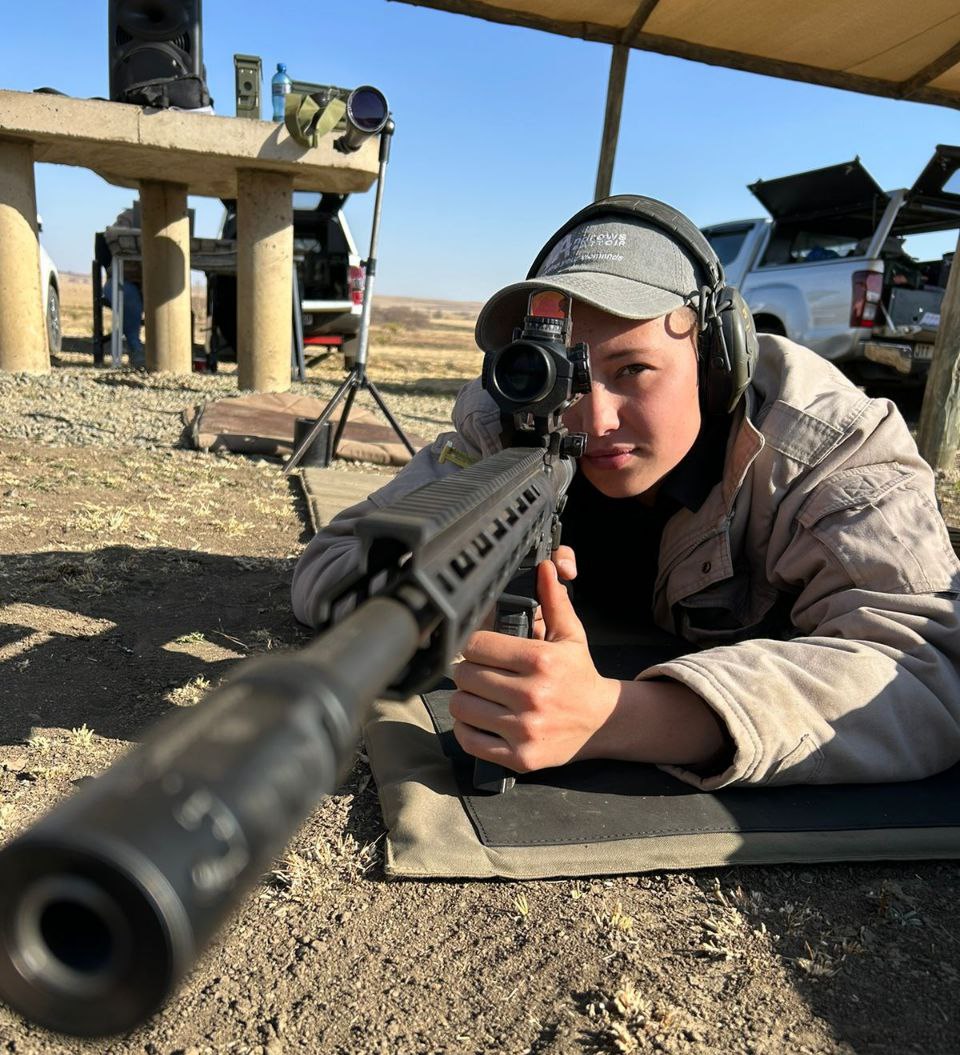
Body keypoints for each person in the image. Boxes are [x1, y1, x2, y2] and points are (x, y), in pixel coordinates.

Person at [292, 196, 960, 790]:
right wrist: (458, 595)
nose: (595, 418)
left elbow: (927, 672)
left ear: (715, 357)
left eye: (633, 369)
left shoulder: (824, 447)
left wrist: (619, 717)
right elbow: (333, 563)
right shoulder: (506, 424)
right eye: (570, 375)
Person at [96, 206, 145, 368]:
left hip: (151, 285)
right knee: (128, 296)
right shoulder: (129, 217)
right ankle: (135, 348)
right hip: (122, 281)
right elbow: (112, 234)